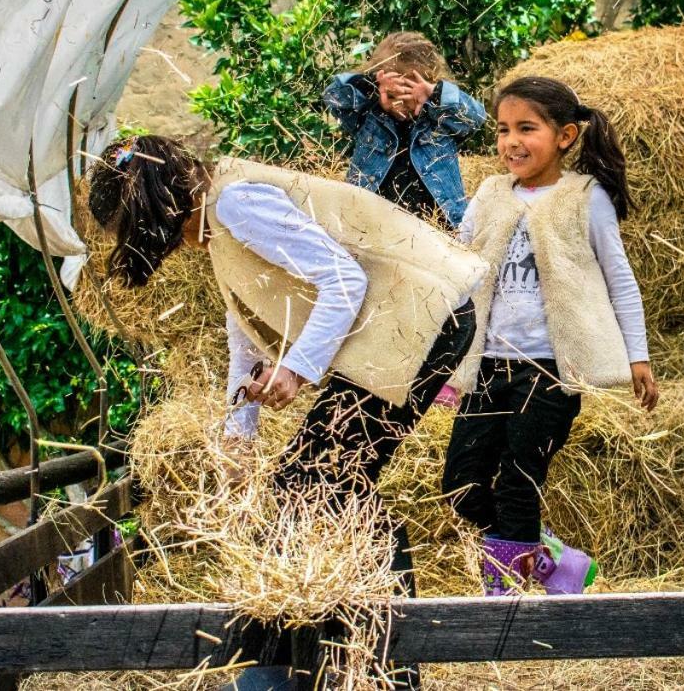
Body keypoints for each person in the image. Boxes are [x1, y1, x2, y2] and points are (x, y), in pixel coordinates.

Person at [85, 134, 485, 501]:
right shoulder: (220, 226)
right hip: (407, 325)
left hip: (424, 321)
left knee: (315, 485)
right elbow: (244, 340)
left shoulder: (234, 205)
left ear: (151, 214)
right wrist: (238, 438)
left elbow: (344, 279)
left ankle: (379, 578)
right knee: (317, 484)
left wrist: (295, 369)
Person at [440, 76, 659, 596]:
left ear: (564, 136)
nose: (511, 141)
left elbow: (619, 279)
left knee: (518, 484)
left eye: (526, 129)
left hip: (549, 371)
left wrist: (638, 356)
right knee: (461, 487)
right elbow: (457, 261)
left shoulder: (585, 198)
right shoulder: (491, 194)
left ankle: (505, 604)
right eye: (503, 130)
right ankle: (554, 560)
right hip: (489, 365)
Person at [323, 31, 485, 228]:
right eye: (393, 93)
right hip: (372, 224)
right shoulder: (369, 115)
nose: (401, 102)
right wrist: (370, 84)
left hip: (435, 225)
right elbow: (333, 96)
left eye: (409, 91)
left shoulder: (440, 120)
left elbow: (476, 117)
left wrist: (436, 94)